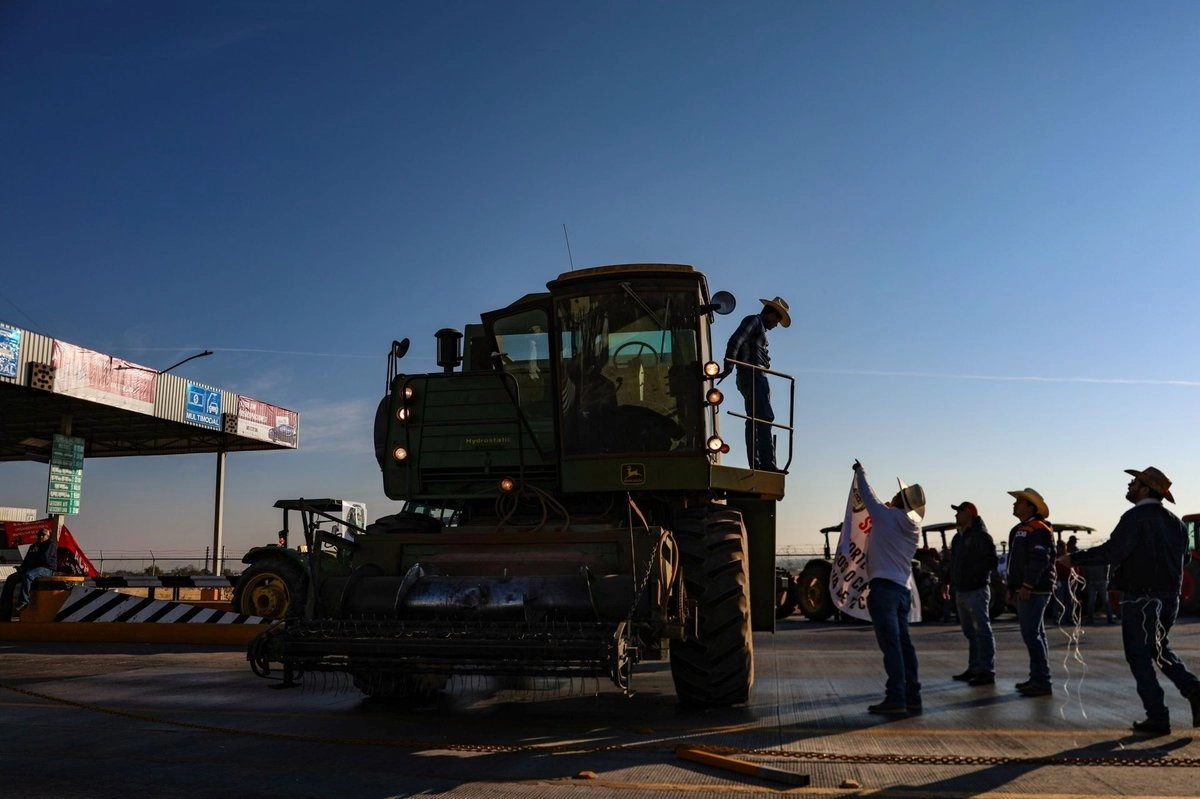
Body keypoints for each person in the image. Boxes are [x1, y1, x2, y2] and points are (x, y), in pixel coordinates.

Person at [1060, 467, 1200, 735]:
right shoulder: (1176, 523)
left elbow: (1114, 551)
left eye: (1134, 482)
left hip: (1141, 599)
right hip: (1169, 598)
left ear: (1146, 489)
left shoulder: (1134, 518)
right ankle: (1193, 690)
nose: (1130, 485)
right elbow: (1184, 561)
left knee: (1139, 655)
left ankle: (1158, 716)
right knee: (1158, 650)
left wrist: (1074, 558)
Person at [853, 460, 924, 716]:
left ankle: (896, 697)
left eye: (896, 493)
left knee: (891, 645)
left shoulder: (887, 516)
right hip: (902, 590)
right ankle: (912, 695)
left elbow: (868, 495)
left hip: (883, 589)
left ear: (900, 499)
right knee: (904, 645)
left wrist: (861, 472)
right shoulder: (913, 526)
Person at [720, 296, 790, 471]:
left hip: (753, 374)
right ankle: (767, 464)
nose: (777, 324)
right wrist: (729, 366)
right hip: (753, 375)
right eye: (778, 319)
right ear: (771, 313)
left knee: (754, 419)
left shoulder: (760, 329)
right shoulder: (754, 321)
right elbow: (736, 340)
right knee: (764, 418)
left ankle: (758, 463)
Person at [1005, 487, 1055, 697]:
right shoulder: (1024, 528)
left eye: (1019, 502)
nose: (1014, 504)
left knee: (1031, 634)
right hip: (1029, 588)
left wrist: (1027, 585)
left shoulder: (1038, 529)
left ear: (1030, 506)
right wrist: (1012, 587)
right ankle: (1038, 678)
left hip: (1035, 589)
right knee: (1036, 634)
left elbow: (1039, 559)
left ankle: (1042, 681)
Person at [942, 502, 998, 686]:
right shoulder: (958, 539)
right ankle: (974, 668)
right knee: (970, 632)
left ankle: (987, 671)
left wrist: (976, 577)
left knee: (982, 630)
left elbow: (991, 561)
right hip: (961, 590)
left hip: (977, 590)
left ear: (969, 514)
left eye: (959, 512)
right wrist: (947, 582)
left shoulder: (981, 536)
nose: (956, 515)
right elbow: (953, 563)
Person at [0, 527, 58, 618]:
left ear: (48, 536)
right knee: (10, 579)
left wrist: (31, 565)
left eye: (43, 535)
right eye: (39, 535)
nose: (41, 537)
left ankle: (24, 601)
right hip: (32, 568)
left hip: (45, 568)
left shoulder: (50, 544)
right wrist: (21, 568)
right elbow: (27, 560)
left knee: (28, 576)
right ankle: (5, 610)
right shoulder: (33, 546)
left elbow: (45, 559)